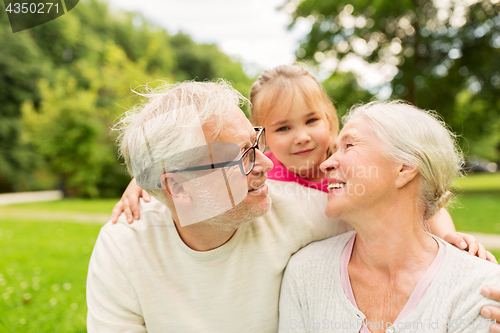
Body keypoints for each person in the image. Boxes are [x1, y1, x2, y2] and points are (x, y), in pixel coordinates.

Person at [111, 65, 493, 259]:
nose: (302, 136)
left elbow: (417, 198)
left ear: (330, 118)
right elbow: (184, 171)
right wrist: (141, 183)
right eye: (282, 128)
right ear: (260, 135)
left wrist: (446, 236)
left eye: (312, 121)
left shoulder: (344, 167)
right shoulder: (265, 172)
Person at [86, 80, 351, 332]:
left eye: (254, 143)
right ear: (178, 188)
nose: (267, 164)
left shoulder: (302, 210)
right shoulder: (123, 248)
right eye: (242, 156)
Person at [278, 101, 500, 333]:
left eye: (349, 146)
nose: (325, 164)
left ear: (404, 168)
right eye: (333, 151)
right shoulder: (306, 271)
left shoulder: (480, 288)